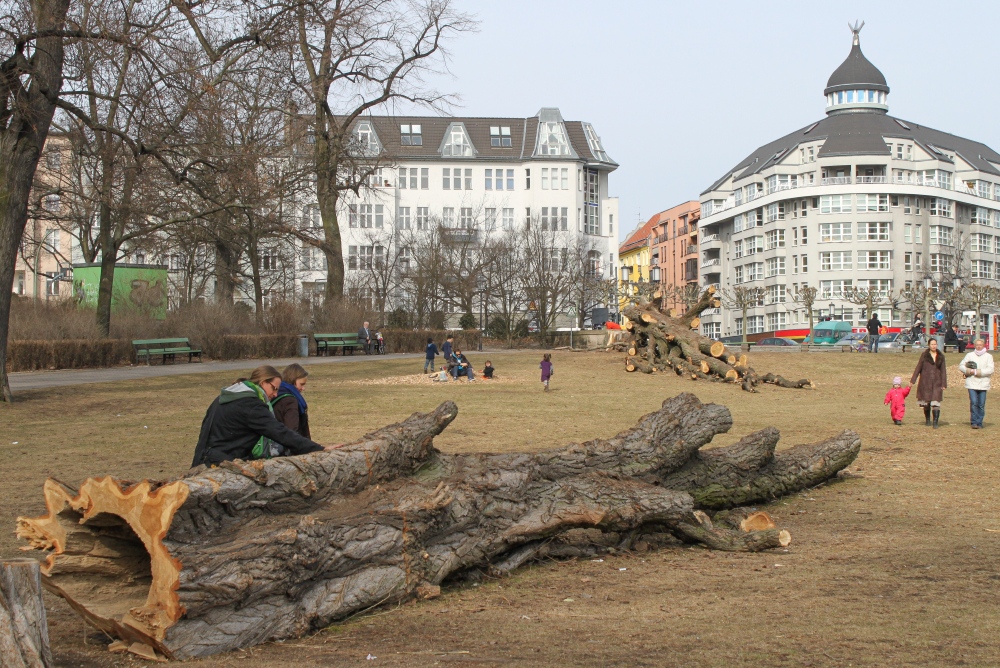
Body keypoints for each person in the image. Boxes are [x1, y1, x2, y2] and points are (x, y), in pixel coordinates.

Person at [191, 365, 333, 467]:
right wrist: (319, 449)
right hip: (219, 464)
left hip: (203, 459)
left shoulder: (227, 395)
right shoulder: (251, 405)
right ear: (263, 382)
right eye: (274, 388)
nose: (275, 394)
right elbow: (280, 432)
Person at [910, 338, 947, 428]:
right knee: (926, 403)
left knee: (936, 402)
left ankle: (935, 422)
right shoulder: (924, 355)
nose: (934, 346)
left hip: (937, 382)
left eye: (935, 344)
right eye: (932, 344)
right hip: (925, 382)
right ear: (929, 345)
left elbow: (943, 371)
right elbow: (918, 367)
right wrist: (913, 380)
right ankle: (927, 419)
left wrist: (944, 383)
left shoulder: (941, 356)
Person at [959, 338, 994, 429]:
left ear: (984, 345)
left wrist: (978, 372)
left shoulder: (988, 356)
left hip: (983, 383)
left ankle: (979, 422)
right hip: (971, 383)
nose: (978, 346)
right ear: (974, 346)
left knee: (981, 404)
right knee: (974, 402)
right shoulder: (969, 355)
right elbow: (961, 366)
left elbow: (990, 369)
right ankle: (974, 422)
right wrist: (969, 371)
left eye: (980, 345)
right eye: (977, 345)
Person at [271, 363, 311, 440]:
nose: (303, 388)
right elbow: (292, 431)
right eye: (301, 384)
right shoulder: (290, 401)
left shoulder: (276, 394)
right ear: (293, 381)